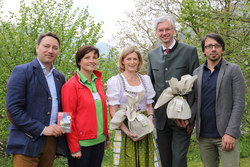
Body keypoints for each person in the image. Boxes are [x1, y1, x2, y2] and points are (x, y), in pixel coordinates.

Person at [6, 32, 65, 167]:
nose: (50, 51)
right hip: (26, 141)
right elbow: (13, 109)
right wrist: (43, 129)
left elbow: (64, 108)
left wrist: (61, 141)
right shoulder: (22, 71)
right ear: (37, 47)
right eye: (46, 46)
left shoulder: (59, 77)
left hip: (51, 143)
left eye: (55, 48)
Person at [147, 15, 200, 167]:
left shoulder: (189, 51)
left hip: (182, 118)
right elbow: (151, 87)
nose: (164, 33)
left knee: (178, 160)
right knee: (165, 161)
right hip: (161, 118)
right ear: (156, 33)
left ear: (174, 30)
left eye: (167, 29)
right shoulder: (151, 55)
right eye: (160, 30)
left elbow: (195, 87)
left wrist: (191, 118)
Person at [191, 33, 246, 167]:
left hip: (225, 134)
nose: (213, 49)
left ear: (222, 49)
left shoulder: (233, 70)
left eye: (217, 46)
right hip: (204, 135)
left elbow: (239, 103)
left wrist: (231, 133)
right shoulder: (196, 73)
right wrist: (188, 120)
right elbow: (196, 102)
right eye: (209, 46)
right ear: (203, 51)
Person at [106, 45, 161, 167]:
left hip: (144, 125)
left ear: (139, 61)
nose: (132, 62)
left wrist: (150, 119)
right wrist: (126, 130)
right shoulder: (115, 81)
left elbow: (149, 105)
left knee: (148, 160)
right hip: (124, 126)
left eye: (135, 59)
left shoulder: (145, 80)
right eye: (128, 59)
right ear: (122, 61)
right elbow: (113, 111)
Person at [61, 45, 110, 167]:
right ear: (79, 61)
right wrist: (73, 147)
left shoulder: (97, 82)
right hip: (81, 144)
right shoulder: (70, 85)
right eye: (87, 57)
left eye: (95, 57)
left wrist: (106, 135)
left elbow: (101, 111)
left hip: (99, 141)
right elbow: (65, 118)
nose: (92, 61)